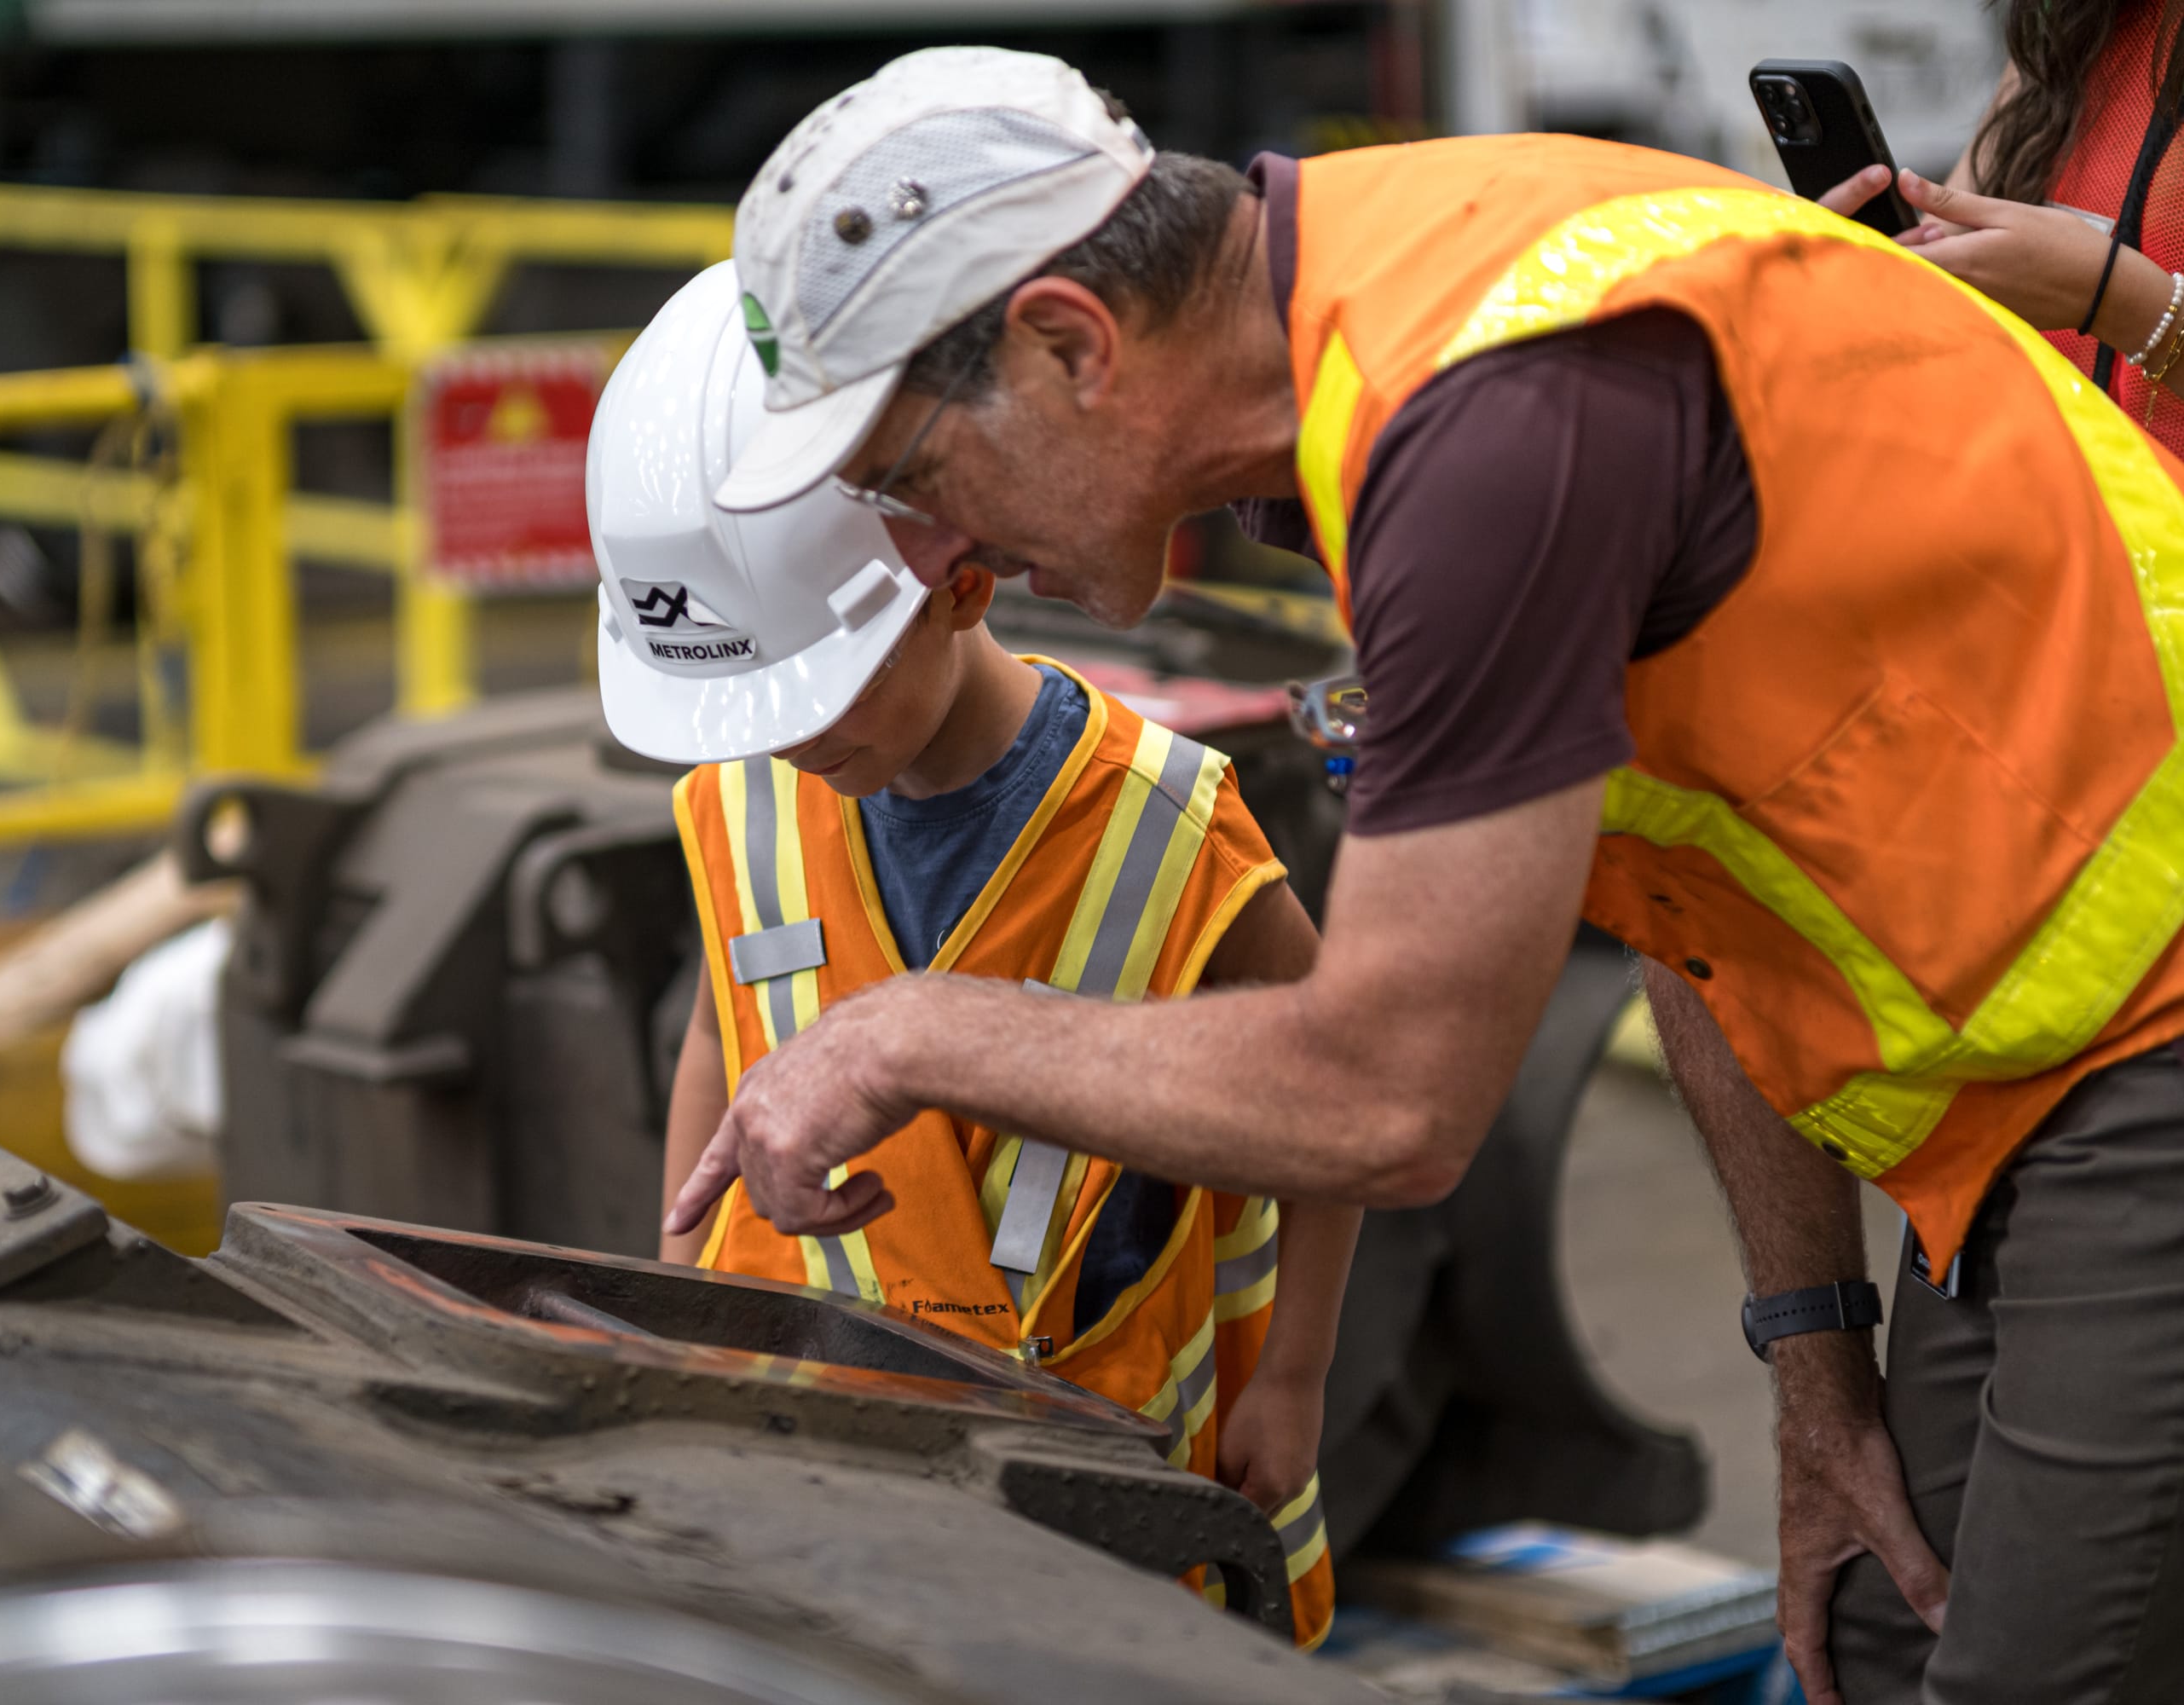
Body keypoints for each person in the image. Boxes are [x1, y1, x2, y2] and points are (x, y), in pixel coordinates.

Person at [661, 45, 2184, 1705]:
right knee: (1881, 1649)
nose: (931, 558)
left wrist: (910, 1031)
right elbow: (1689, 881)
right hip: (2026, 1090)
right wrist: (1813, 1359)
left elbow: (1389, 1097)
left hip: (2150, 1039)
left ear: (1068, 343)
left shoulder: (1483, 430)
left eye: (910, 478)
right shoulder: (1365, 335)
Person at [586, 262, 1355, 1650]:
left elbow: (1343, 1088)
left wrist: (1290, 1378)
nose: (791, 743)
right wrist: (678, 1274)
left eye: (810, 694)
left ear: (963, 581)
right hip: (827, 1475)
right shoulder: (745, 796)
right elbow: (725, 1028)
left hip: (1105, 1506)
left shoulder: (1163, 827)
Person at [1822, 1, 2184, 448]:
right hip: (2053, 490)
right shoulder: (2071, 24)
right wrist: (1867, 263)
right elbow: (1940, 243)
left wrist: (2115, 300)